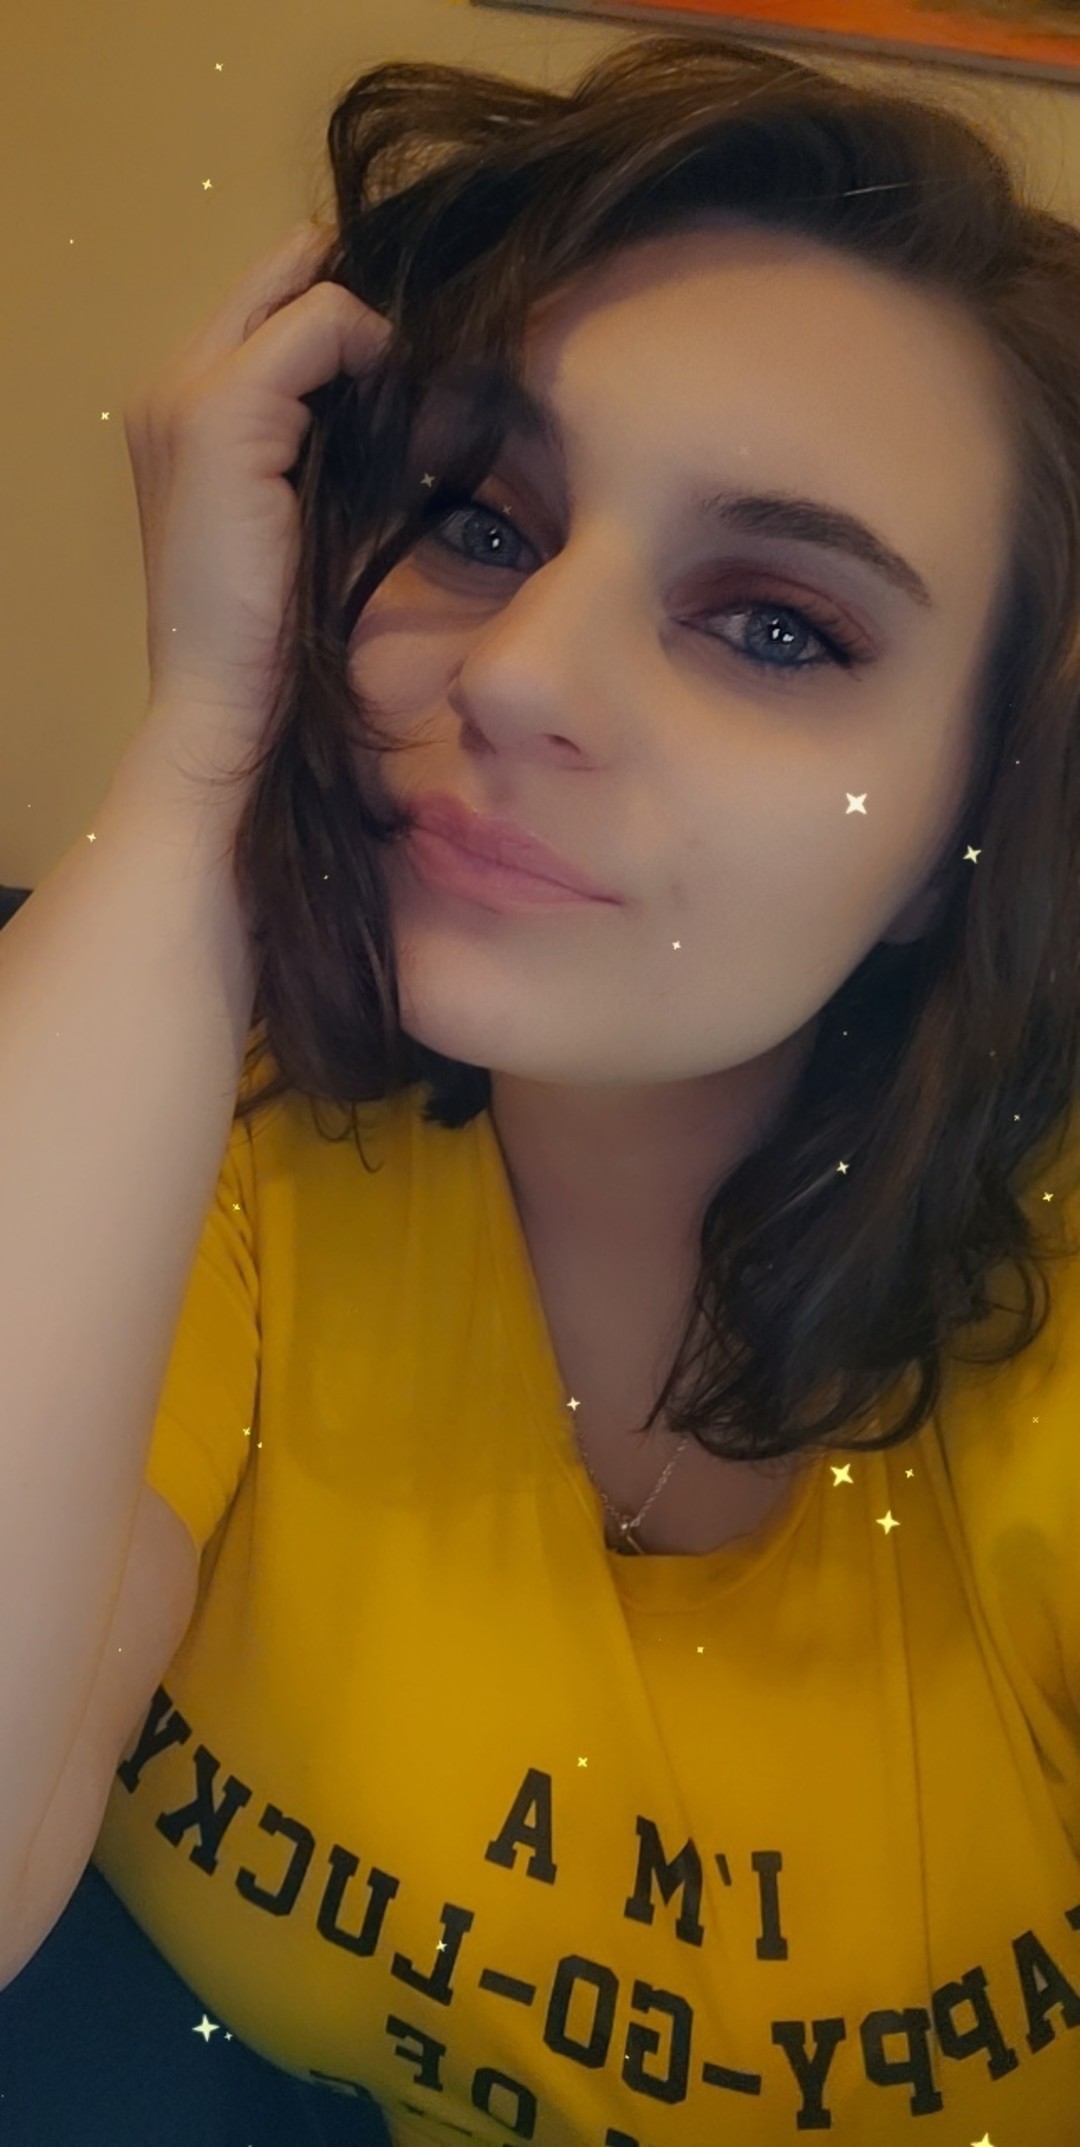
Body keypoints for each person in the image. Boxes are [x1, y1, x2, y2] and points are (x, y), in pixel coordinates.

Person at [2, 28, 1080, 2146]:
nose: (514, 676)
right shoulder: (197, 1140)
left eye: (778, 627)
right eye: (479, 522)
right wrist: (200, 763)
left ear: (977, 815)